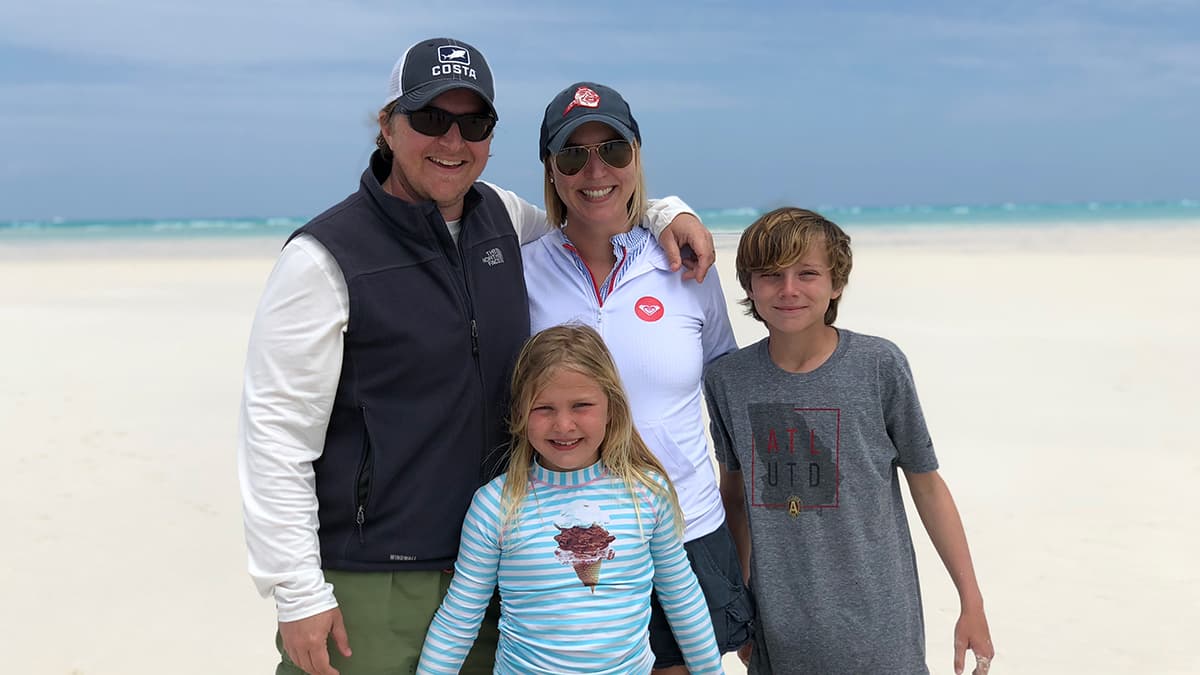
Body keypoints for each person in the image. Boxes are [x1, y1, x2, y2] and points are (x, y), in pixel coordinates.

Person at [238, 38, 718, 675]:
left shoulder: (501, 218)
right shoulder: (324, 258)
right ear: (387, 126)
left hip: (506, 570)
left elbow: (594, 210)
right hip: (373, 578)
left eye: (475, 122)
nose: (453, 140)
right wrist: (297, 590)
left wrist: (664, 213)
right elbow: (274, 435)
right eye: (431, 118)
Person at [521, 81, 753, 674]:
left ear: (638, 156)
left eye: (613, 150)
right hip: (570, 536)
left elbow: (727, 396)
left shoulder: (686, 266)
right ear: (551, 169)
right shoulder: (519, 271)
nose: (594, 169)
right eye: (573, 154)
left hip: (689, 528)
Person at [703, 207, 995, 675]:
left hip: (881, 628)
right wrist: (740, 610)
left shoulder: (878, 366)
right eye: (771, 275)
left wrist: (971, 600)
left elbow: (927, 485)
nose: (789, 289)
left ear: (836, 283)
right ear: (749, 287)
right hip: (779, 632)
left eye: (808, 273)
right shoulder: (726, 380)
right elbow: (733, 500)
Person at [416, 325, 725, 674]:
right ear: (519, 414)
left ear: (612, 407)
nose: (563, 425)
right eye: (544, 408)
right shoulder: (494, 506)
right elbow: (459, 617)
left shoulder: (648, 495)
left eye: (581, 406)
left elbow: (682, 597)